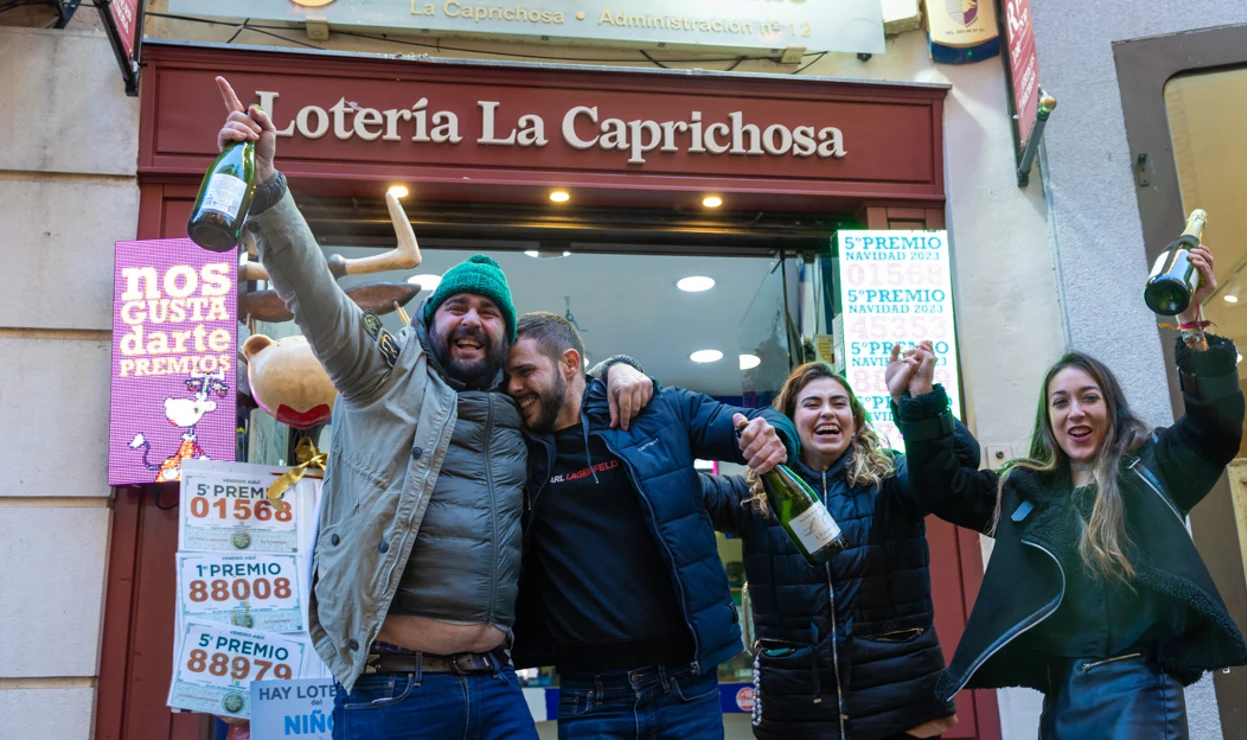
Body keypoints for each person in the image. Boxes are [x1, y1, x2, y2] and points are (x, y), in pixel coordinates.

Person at [214, 78, 648, 740]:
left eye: (489, 312)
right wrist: (268, 189)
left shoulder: (520, 410)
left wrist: (617, 364)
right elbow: (313, 292)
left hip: (498, 688)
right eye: (457, 307)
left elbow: (567, 381)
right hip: (395, 690)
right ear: (429, 321)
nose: (472, 320)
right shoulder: (377, 376)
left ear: (505, 337)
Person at [895, 245, 1247, 739]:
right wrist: (920, 401)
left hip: (1141, 688)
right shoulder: (1024, 490)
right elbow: (942, 488)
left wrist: (1191, 325)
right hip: (1063, 692)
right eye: (1060, 402)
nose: (1075, 411)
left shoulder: (1154, 468)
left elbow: (1216, 430)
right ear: (1049, 419)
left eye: (1089, 397)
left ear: (1112, 408)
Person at [504, 312, 799, 740]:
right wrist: (617, 364)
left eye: (524, 371)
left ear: (569, 363)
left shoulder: (659, 411)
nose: (512, 386)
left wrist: (773, 436)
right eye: (506, 376)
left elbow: (763, 421)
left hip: (685, 686)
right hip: (589, 698)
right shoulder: (513, 447)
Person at [698, 353, 981, 740]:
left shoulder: (891, 478)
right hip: (797, 713)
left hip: (901, 705)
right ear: (789, 422)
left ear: (855, 418)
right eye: (812, 404)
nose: (827, 412)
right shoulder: (754, 494)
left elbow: (958, 463)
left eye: (839, 403)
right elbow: (679, 489)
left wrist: (914, 400)